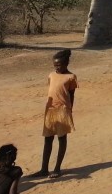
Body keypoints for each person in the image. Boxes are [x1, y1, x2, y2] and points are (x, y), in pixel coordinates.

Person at [34, 48, 77, 179]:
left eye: (59, 65)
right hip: (50, 110)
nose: (57, 67)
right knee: (48, 139)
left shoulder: (71, 77)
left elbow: (71, 95)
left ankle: (57, 168)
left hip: (63, 110)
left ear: (66, 64)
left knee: (61, 138)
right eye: (55, 65)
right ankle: (44, 169)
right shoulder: (51, 75)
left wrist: (70, 109)